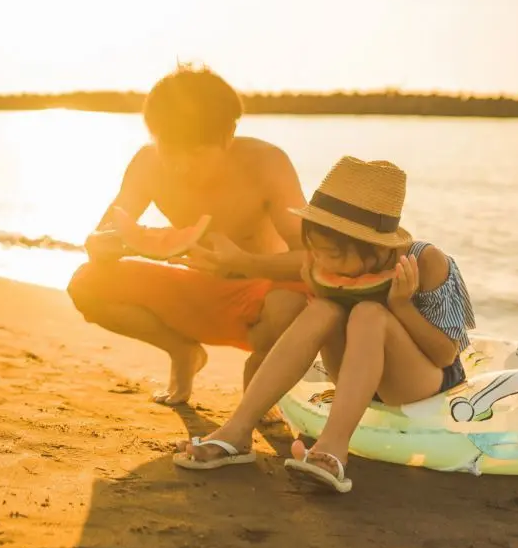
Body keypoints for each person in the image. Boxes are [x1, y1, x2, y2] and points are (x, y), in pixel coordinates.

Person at [173, 156, 476, 493]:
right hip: (356, 377)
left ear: (374, 246)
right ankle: (238, 430)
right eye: (316, 251)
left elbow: (445, 355)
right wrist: (318, 289)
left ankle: (332, 446)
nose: (321, 261)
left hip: (419, 382)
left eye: (333, 255)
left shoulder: (427, 262)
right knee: (323, 310)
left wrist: (401, 307)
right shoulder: (324, 259)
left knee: (369, 314)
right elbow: (329, 316)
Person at [67, 64, 311, 405]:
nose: (180, 165)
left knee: (295, 303)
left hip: (260, 298)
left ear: (228, 135)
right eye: (170, 150)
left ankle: (259, 376)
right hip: (196, 290)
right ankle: (182, 351)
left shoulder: (267, 164)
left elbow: (313, 259)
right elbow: (105, 232)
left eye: (195, 153)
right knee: (87, 284)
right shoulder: (147, 164)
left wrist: (247, 262)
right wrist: (101, 245)